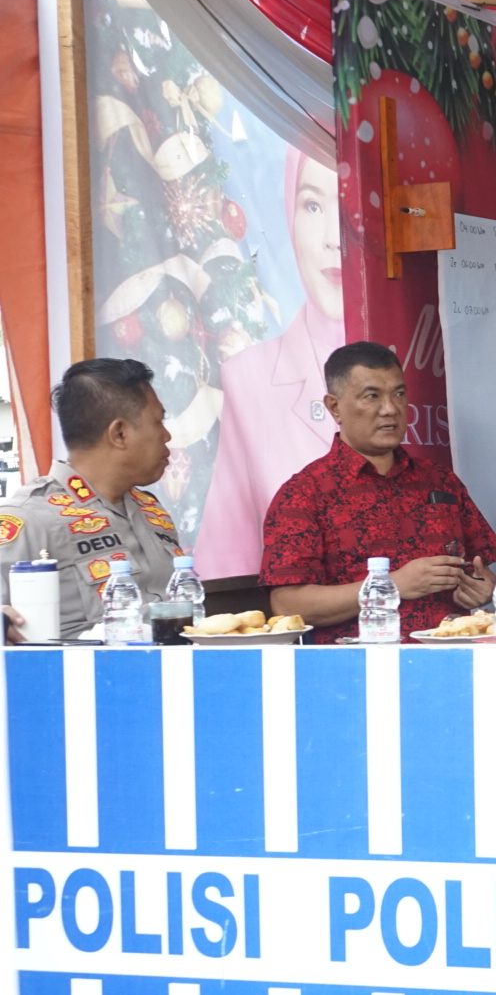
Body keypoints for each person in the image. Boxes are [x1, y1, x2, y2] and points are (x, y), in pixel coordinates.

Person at [259, 343, 496, 644]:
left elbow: (482, 571)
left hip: (453, 656)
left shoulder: (440, 481)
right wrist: (391, 585)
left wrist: (482, 588)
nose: (390, 409)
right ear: (334, 407)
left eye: (398, 394)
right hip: (358, 665)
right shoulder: (304, 493)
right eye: (372, 396)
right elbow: (287, 606)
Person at [196, 149, 348, 578]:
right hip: (294, 613)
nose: (333, 238)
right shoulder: (250, 377)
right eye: (313, 205)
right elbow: (228, 554)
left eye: (348, 207)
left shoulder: (421, 355)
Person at [0, 359, 183, 637]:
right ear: (119, 433)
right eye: (158, 422)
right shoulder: (29, 518)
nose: (167, 435)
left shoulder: (150, 509)